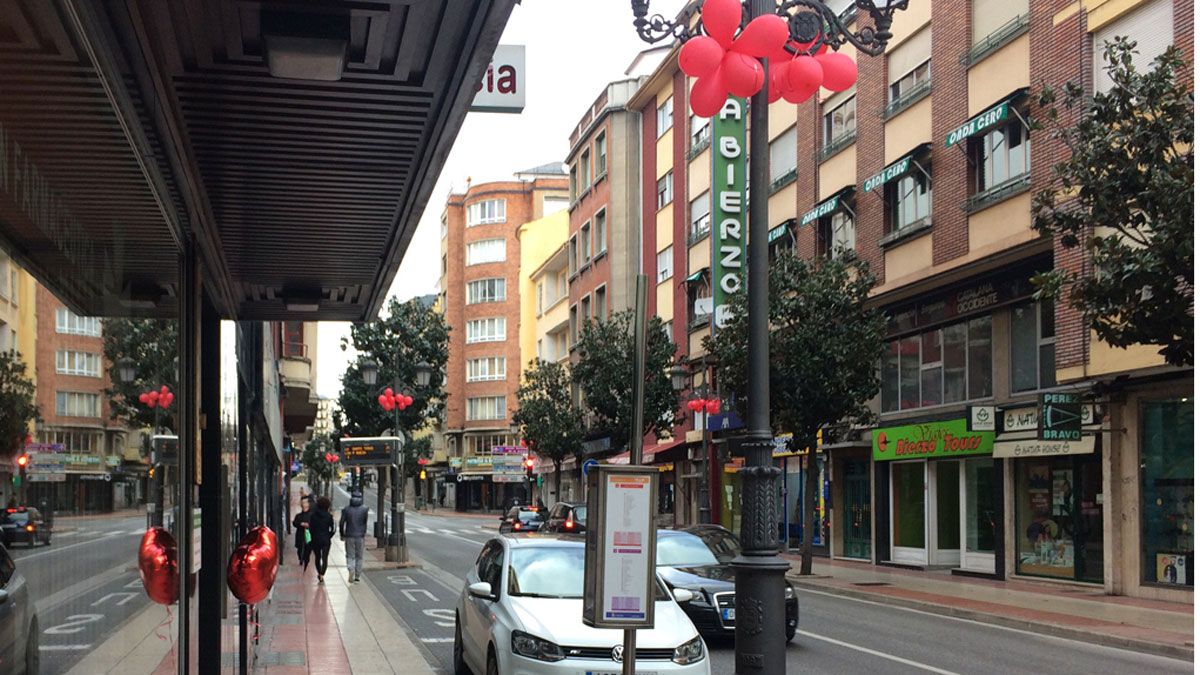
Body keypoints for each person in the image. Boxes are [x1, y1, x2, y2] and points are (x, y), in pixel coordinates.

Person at [339, 491, 369, 583]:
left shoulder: (346, 509)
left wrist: (342, 534)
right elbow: (365, 522)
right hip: (360, 535)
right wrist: (363, 532)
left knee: (350, 555)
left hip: (349, 535)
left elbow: (341, 523)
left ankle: (351, 568)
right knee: (359, 556)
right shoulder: (365, 509)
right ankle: (357, 575)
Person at [308, 496, 335, 583]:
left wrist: (313, 536)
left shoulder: (313, 516)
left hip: (316, 539)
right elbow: (333, 528)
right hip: (326, 539)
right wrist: (329, 535)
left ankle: (319, 572)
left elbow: (310, 528)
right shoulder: (329, 516)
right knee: (325, 558)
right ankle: (322, 574)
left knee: (317, 557)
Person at [292, 496, 312, 568]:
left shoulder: (312, 515)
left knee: (308, 548)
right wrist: (301, 524)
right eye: (302, 502)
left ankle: (306, 559)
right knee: (300, 548)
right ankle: (301, 558)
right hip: (300, 533)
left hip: (309, 533)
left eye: (305, 502)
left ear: (308, 504)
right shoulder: (298, 516)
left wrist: (309, 525)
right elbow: (294, 523)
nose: (304, 504)